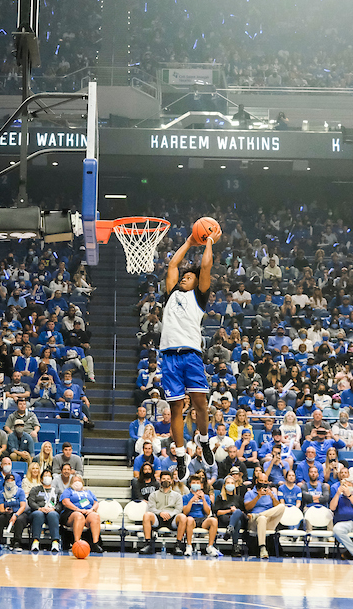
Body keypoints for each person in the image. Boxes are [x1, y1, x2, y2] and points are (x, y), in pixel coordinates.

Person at [159, 226, 220, 476]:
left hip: (191, 354)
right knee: (175, 408)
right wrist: (188, 241)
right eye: (184, 277)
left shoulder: (199, 297)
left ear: (197, 284)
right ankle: (181, 455)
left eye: (189, 277)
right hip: (169, 355)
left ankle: (204, 440)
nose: (185, 277)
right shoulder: (172, 293)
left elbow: (205, 268)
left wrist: (208, 242)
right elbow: (173, 265)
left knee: (200, 404)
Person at [244, 469, 286, 559]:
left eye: (265, 481)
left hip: (268, 521)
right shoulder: (250, 493)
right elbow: (247, 507)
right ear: (256, 481)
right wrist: (258, 496)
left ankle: (259, 515)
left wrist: (272, 496)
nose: (263, 483)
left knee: (282, 506)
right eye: (261, 481)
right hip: (254, 522)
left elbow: (277, 507)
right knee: (261, 519)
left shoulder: (271, 493)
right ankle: (263, 548)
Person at [15, 469, 60, 552]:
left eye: (49, 476)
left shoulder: (56, 491)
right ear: (41, 479)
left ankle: (55, 542)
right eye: (45, 476)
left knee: (53, 514)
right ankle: (35, 542)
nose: (47, 478)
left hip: (51, 511)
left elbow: (60, 504)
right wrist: (39, 508)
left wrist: (53, 508)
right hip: (37, 511)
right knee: (38, 514)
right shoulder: (35, 489)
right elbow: (31, 501)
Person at [140, 471, 185, 555]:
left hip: (172, 518)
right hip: (158, 517)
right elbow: (151, 508)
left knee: (182, 517)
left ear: (171, 481)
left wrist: (170, 514)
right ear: (160, 480)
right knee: (147, 515)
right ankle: (148, 544)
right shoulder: (153, 494)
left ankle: (178, 545)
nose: (166, 481)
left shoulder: (177, 495)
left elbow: (178, 509)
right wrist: (160, 513)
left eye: (168, 479)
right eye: (163, 479)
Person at [60, 475, 103, 553]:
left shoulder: (88, 491)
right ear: (71, 483)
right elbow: (65, 502)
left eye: (78, 481)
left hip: (88, 511)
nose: (77, 483)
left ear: (82, 482)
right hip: (72, 512)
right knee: (79, 516)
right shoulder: (68, 491)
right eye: (74, 481)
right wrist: (78, 509)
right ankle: (76, 543)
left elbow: (96, 502)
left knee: (95, 516)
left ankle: (95, 543)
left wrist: (91, 510)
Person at [183, 474, 221, 557]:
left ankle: (210, 546)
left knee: (214, 520)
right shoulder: (186, 497)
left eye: (198, 482)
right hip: (192, 519)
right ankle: (189, 546)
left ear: (201, 485)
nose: (196, 484)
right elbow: (185, 512)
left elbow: (208, 512)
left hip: (203, 519)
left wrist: (203, 499)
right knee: (189, 519)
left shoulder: (206, 497)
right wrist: (192, 500)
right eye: (194, 482)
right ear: (190, 484)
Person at [214, 469, 248, 556]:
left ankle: (230, 529)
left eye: (232, 483)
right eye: (228, 483)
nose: (230, 485)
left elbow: (243, 511)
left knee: (238, 514)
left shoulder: (238, 498)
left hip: (235, 519)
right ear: (224, 485)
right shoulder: (220, 497)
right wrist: (229, 510)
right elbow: (217, 512)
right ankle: (235, 547)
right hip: (224, 519)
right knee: (238, 521)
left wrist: (235, 511)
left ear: (235, 484)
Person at [0, 471, 27, 548]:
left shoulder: (20, 491)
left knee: (19, 520)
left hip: (19, 513)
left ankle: (16, 542)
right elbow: (1, 509)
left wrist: (16, 515)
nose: (10, 481)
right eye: (8, 479)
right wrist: (5, 511)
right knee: (1, 519)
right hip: (8, 513)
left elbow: (23, 506)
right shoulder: (1, 493)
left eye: (12, 479)